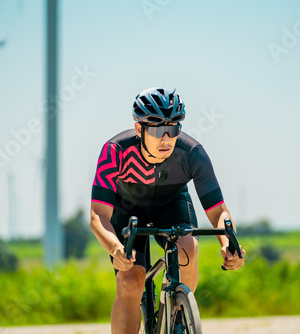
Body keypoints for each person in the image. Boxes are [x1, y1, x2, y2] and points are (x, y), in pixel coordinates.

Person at [89, 87, 245, 333]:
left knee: (188, 248)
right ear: (139, 129)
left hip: (171, 204)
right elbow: (98, 216)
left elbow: (218, 212)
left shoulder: (192, 152)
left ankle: (177, 313)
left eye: (172, 129)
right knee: (130, 280)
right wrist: (115, 248)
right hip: (128, 211)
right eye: (157, 129)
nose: (165, 139)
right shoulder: (115, 151)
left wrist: (228, 243)